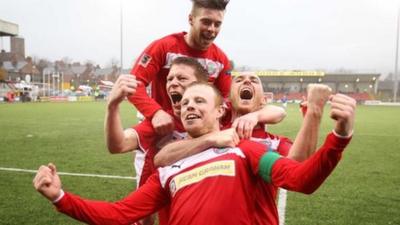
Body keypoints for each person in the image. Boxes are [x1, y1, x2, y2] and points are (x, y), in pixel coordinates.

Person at [33, 82, 355, 225]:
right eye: (185, 103)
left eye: (199, 101)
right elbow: (119, 214)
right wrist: (60, 197)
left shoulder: (244, 150)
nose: (189, 106)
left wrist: (339, 136)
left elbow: (301, 179)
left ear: (220, 112)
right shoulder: (169, 170)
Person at [105, 57, 285, 225]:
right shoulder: (162, 121)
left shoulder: (216, 112)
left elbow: (278, 112)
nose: (173, 83)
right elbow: (118, 145)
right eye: (170, 79)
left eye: (182, 78)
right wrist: (112, 106)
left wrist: (256, 115)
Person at [153, 73, 334, 225]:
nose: (247, 81)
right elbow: (163, 159)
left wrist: (313, 113)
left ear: (264, 100)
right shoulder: (214, 135)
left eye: (254, 80)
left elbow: (298, 167)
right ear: (228, 101)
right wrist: (209, 139)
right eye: (239, 80)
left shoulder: (275, 143)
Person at [127, 0, 232, 136]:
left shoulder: (221, 60)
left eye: (217, 24)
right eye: (206, 22)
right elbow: (133, 85)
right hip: (163, 132)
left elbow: (225, 99)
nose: (212, 29)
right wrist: (155, 113)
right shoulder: (163, 47)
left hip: (198, 135)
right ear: (191, 19)